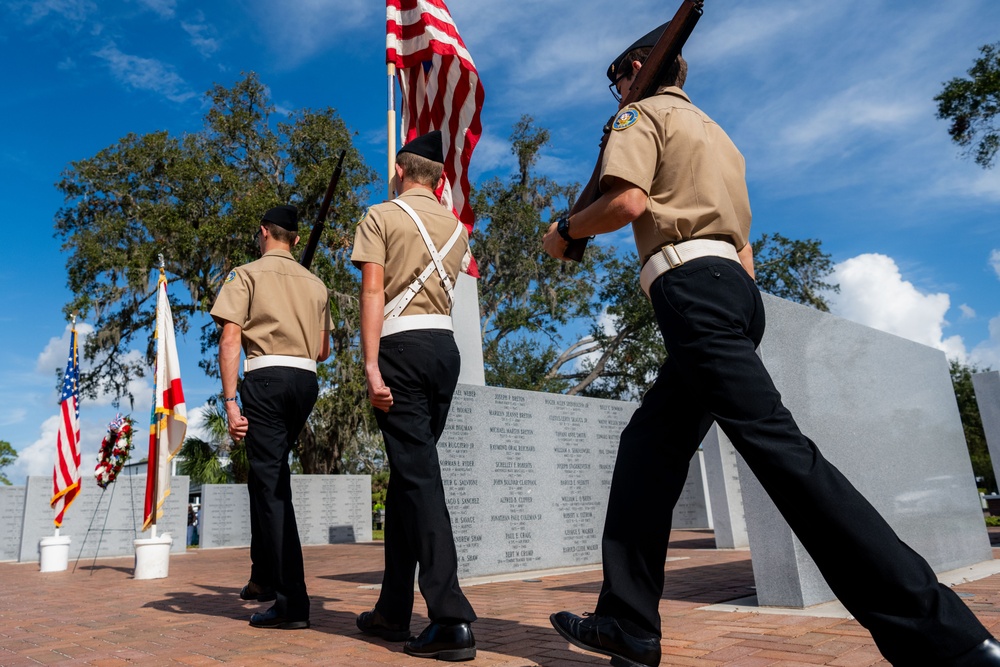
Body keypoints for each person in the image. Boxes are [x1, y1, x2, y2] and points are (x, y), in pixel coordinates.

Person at [542, 22, 1000, 667]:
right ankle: (628, 622)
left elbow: (627, 201)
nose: (615, 92)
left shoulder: (639, 116)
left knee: (784, 456)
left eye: (618, 79)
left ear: (640, 71)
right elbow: (744, 245)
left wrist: (563, 230)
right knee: (646, 447)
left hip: (690, 290)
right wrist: (730, 313)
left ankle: (945, 637)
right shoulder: (719, 136)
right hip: (732, 292)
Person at [351, 130, 477, 661]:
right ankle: (391, 612)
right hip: (445, 350)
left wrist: (370, 364)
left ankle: (449, 617)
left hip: (400, 348)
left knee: (419, 476)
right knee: (409, 475)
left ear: (399, 172)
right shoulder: (458, 229)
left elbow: (373, 289)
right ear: (440, 178)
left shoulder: (380, 216)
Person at [210, 204, 332, 630]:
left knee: (272, 487)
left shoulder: (245, 274)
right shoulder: (316, 284)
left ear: (263, 232)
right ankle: (262, 577)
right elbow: (322, 351)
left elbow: (230, 339)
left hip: (265, 380)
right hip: (306, 383)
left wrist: (229, 402)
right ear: (296, 240)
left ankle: (292, 602)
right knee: (267, 477)